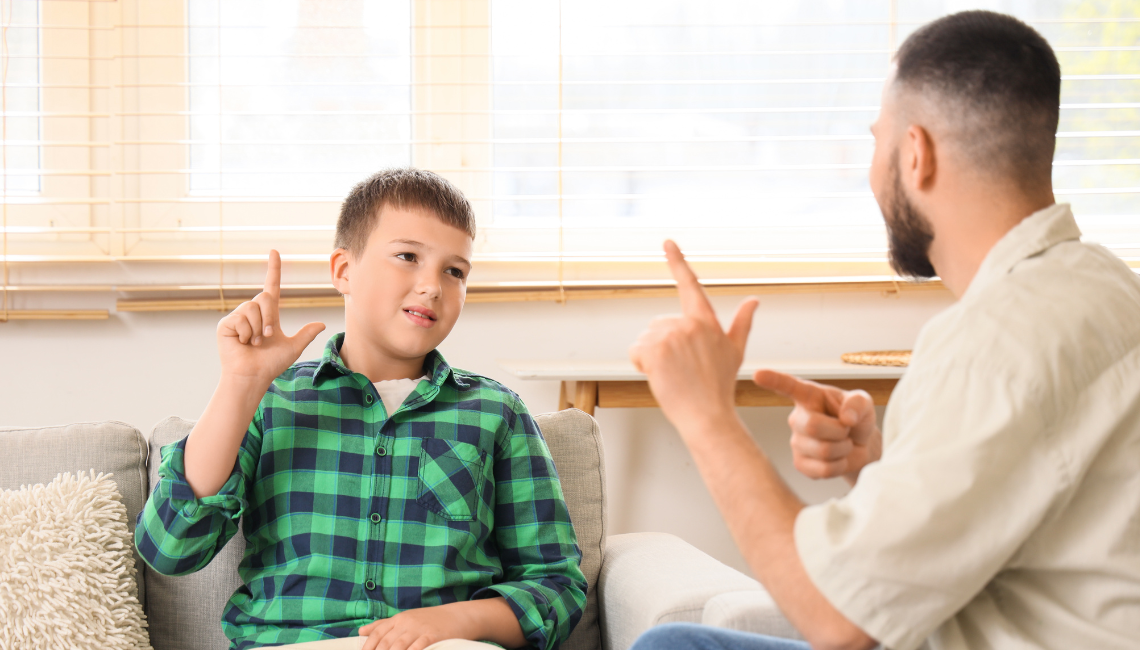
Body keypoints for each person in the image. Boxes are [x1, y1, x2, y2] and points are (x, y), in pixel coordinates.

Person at [627, 11, 1140, 650]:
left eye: (877, 141)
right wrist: (874, 469)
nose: (872, 172)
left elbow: (841, 621)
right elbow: (1013, 508)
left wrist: (705, 414)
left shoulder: (989, 343)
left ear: (916, 154)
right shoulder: (1106, 283)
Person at [136, 169, 587, 650]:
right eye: (408, 256)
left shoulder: (496, 413)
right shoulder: (272, 400)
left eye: (454, 270)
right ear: (343, 271)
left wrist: (453, 622)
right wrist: (241, 385)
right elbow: (169, 547)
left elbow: (557, 586)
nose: (432, 286)